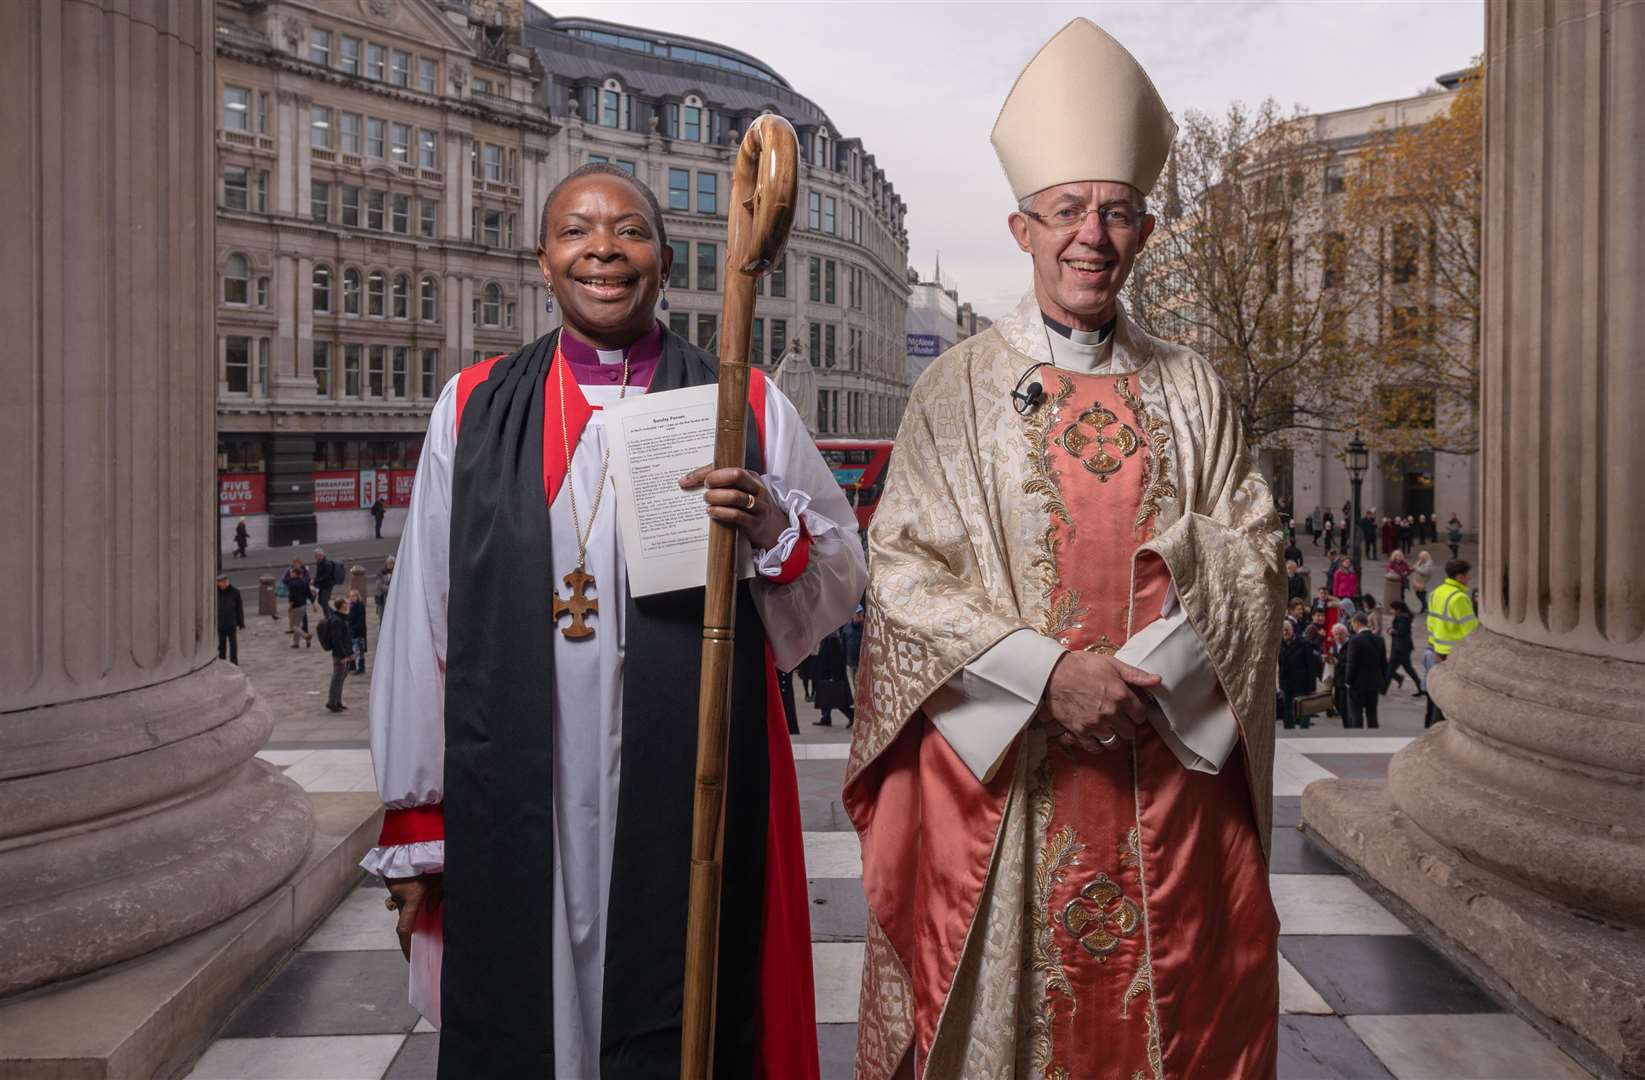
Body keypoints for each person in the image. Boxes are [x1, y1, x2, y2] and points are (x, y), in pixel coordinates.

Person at [845, 22, 1281, 1077]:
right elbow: (900, 576)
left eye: (1117, 212)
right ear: (1023, 227)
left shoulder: (1195, 387)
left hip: (1165, 785)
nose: (1092, 234)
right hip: (1011, 803)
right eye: (1068, 210)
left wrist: (1146, 676)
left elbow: (1254, 555)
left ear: (1141, 232)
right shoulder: (954, 392)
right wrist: (1048, 677)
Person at [362, 162, 864, 1076]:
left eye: (628, 230)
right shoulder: (473, 406)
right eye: (575, 232)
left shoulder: (741, 401)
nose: (603, 249)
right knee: (531, 1004)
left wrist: (765, 521)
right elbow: (421, 620)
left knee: (683, 999)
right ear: (543, 261)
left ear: (665, 261)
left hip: (686, 783)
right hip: (521, 775)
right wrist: (416, 819)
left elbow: (835, 584)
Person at [1424, 558, 1479, 727]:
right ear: (1460, 577)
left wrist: (1434, 647)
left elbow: (1431, 622)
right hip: (1455, 651)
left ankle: (1435, 726)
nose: (1470, 578)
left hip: (1439, 649)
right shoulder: (1459, 598)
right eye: (1468, 575)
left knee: (1442, 692)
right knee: (1453, 694)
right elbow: (1471, 630)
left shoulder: (1436, 592)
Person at [1342, 613, 1387, 729]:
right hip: (1374, 684)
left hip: (1357, 684)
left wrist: (1348, 681)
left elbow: (1352, 664)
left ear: (1357, 623)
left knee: (1356, 716)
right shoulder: (1379, 639)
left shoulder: (1355, 640)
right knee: (1372, 716)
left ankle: (1359, 739)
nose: (1352, 627)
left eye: (1352, 624)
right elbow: (1383, 664)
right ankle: (1374, 740)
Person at [1278, 620, 1321, 730]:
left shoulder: (1304, 643)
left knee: (1304, 707)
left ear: (1292, 630)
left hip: (1302, 682)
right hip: (1287, 683)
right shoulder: (1280, 645)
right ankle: (1289, 730)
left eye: (1287, 630)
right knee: (1287, 708)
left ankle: (1304, 730)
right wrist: (1280, 684)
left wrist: (1312, 686)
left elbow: (1311, 666)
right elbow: (1280, 664)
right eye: (1282, 630)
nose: (1285, 632)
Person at [811, 624, 855, 727]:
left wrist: (833, 675)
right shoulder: (830, 637)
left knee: (836, 699)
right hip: (827, 672)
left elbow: (834, 659)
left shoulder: (831, 638)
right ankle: (825, 718)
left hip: (830, 673)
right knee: (826, 698)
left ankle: (852, 715)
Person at [322, 597, 353, 712]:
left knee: (340, 678)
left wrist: (350, 653)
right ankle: (331, 702)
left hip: (344, 653)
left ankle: (338, 701)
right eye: (346, 603)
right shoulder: (337, 621)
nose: (348, 604)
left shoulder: (342, 618)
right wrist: (343, 655)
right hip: (340, 655)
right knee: (337, 678)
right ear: (342, 606)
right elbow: (337, 640)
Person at [1388, 600, 1421, 692]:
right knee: (1408, 669)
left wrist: (1392, 632)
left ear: (1397, 609)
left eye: (1392, 609)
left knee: (1390, 668)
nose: (1391, 611)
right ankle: (1420, 686)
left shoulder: (1403, 618)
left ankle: (1382, 689)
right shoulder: (1402, 616)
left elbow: (1401, 632)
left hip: (1401, 648)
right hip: (1402, 647)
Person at [281, 558, 313, 648]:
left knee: (293, 626)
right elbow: (309, 593)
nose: (290, 574)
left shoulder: (292, 584)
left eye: (292, 573)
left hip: (296, 606)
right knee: (297, 624)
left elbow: (292, 597)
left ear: (295, 574)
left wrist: (290, 607)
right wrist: (313, 604)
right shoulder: (304, 582)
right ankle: (296, 643)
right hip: (303, 605)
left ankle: (306, 636)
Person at [216, 573, 244, 664]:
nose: (222, 585)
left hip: (231, 623)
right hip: (220, 624)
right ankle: (222, 662)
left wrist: (241, 623)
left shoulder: (235, 592)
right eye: (220, 583)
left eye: (223, 582)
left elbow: (239, 609)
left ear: (227, 582)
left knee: (233, 645)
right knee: (221, 645)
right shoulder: (215, 593)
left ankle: (234, 662)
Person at [1328, 622, 1352, 721]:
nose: (1338, 636)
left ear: (1345, 634)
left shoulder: (1350, 645)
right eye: (1336, 634)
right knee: (1338, 702)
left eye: (1340, 634)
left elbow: (1352, 663)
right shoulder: (1334, 645)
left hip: (1346, 678)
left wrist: (1338, 663)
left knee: (1343, 703)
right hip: (1336, 678)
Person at [347, 587, 368, 674]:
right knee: (352, 649)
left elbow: (361, 620)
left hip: (359, 632)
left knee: (359, 651)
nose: (352, 598)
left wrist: (354, 628)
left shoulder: (360, 606)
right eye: (351, 596)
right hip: (351, 631)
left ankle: (360, 667)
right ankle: (352, 666)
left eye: (354, 596)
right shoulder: (350, 606)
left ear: (357, 596)